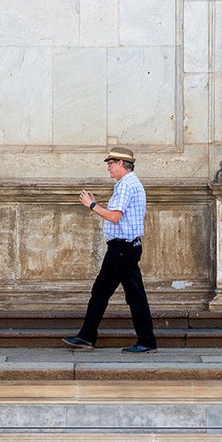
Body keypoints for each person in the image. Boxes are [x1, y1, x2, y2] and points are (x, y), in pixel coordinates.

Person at [65, 150, 155, 354]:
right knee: (102, 292)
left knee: (132, 295)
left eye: (111, 163)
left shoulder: (126, 185)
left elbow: (115, 217)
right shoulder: (129, 184)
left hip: (123, 248)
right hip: (123, 248)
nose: (108, 167)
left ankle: (147, 341)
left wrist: (92, 205)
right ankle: (86, 336)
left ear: (121, 163)